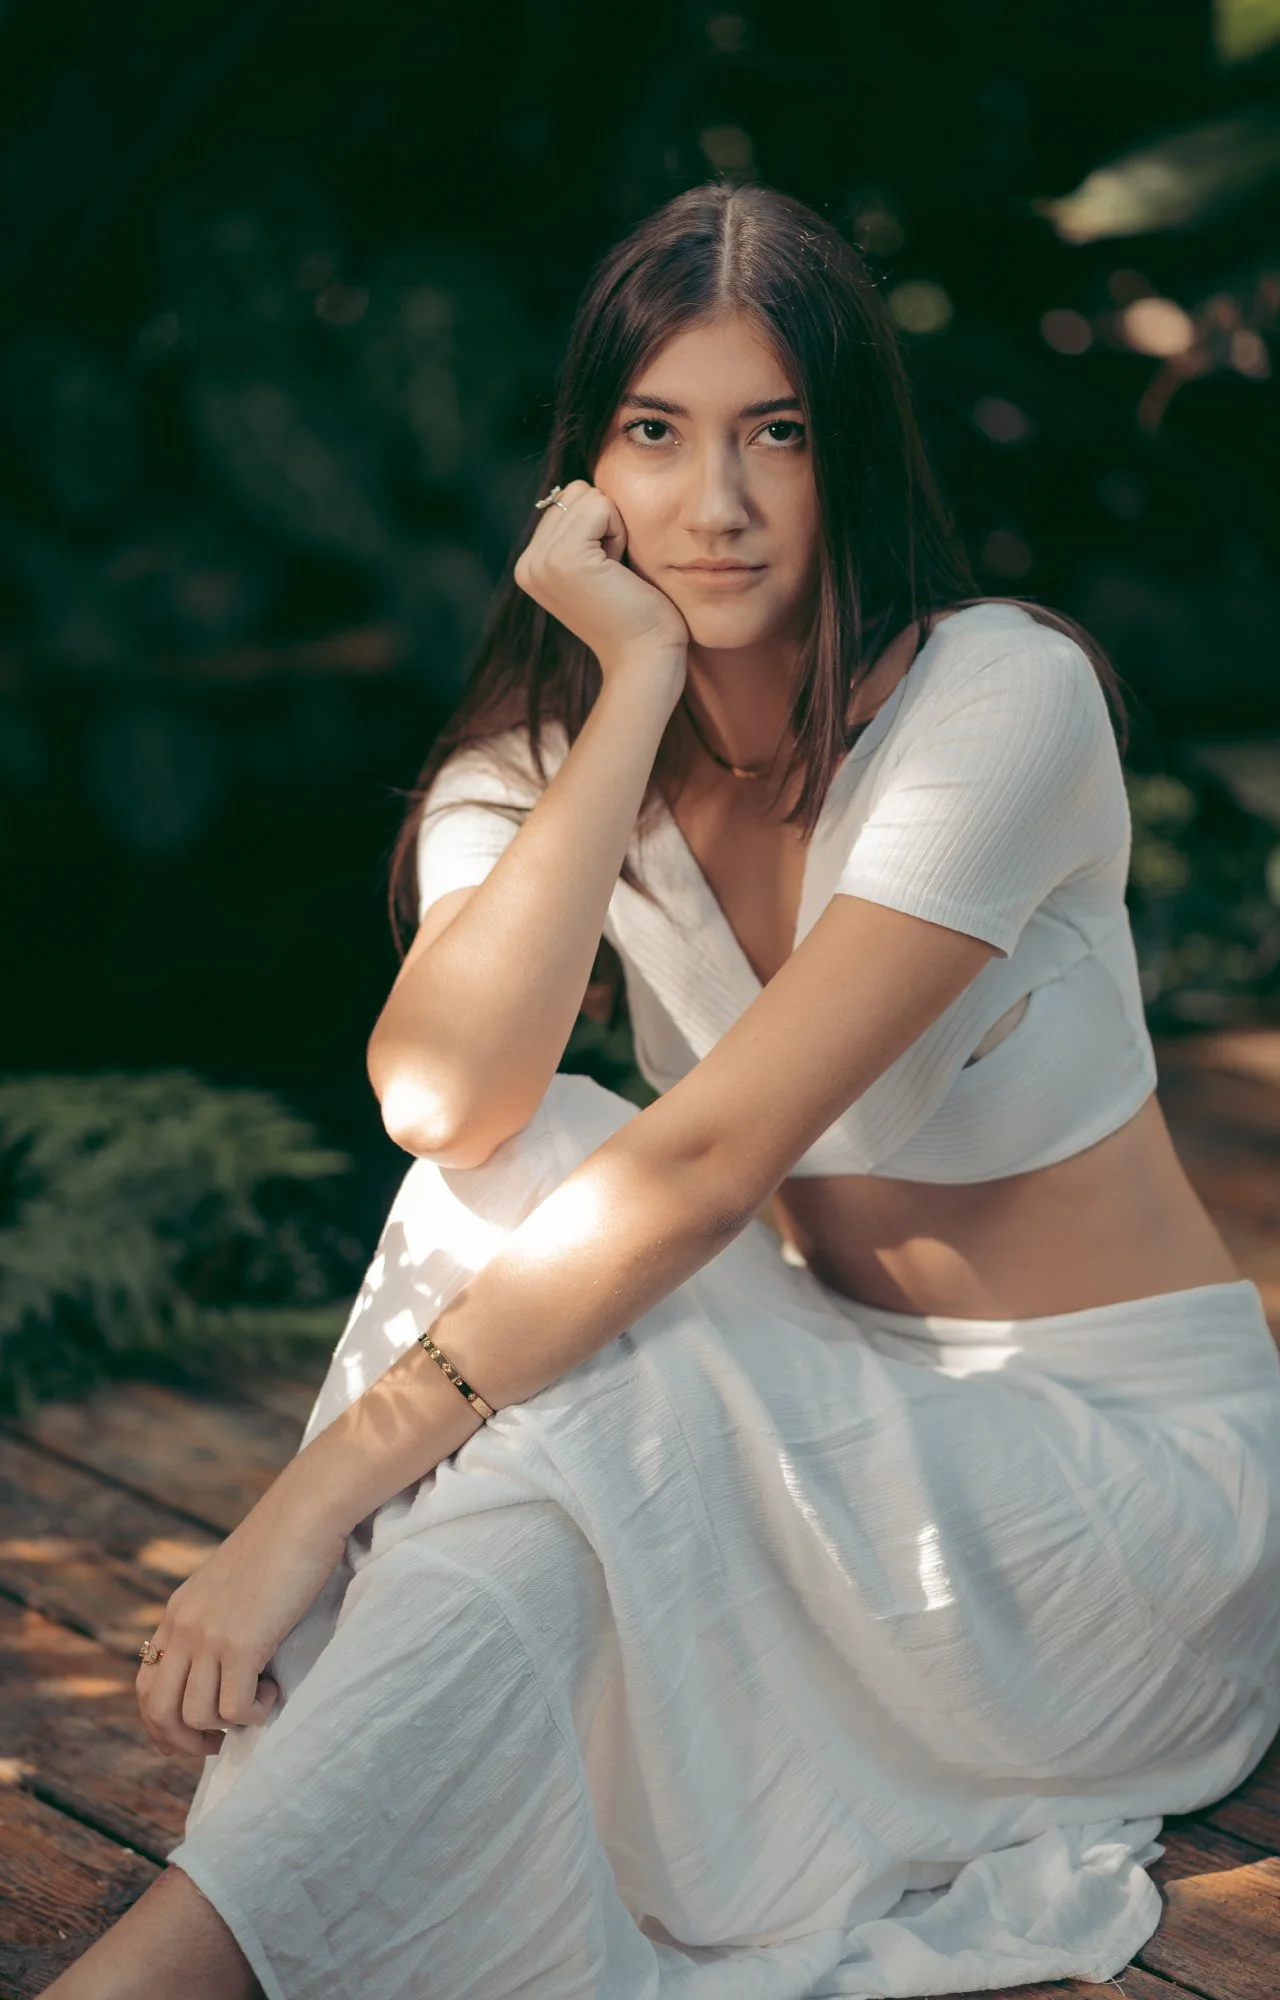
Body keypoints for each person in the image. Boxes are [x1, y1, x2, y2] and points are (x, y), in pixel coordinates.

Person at [44, 179, 1280, 2000]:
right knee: (526, 1219)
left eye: (776, 433)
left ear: (850, 450)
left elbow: (701, 1166)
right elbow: (437, 1104)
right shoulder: (540, 766)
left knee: (583, 1293)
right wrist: (628, 688)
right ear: (584, 478)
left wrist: (305, 1503)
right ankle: (183, 1966)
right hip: (826, 1447)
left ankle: (172, 1968)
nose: (716, 504)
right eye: (657, 435)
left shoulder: (997, 704)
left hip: (1108, 1508)